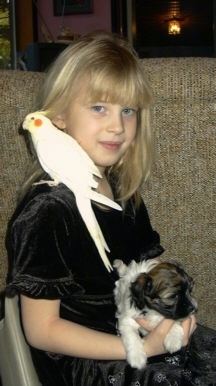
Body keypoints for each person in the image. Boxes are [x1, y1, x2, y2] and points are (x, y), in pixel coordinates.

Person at [5, 31, 216, 386]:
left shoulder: (121, 188)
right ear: (58, 114)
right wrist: (144, 347)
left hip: (132, 324)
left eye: (128, 110)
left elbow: (144, 270)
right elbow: (42, 331)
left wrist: (168, 313)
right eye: (99, 107)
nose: (117, 126)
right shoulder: (49, 211)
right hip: (88, 361)